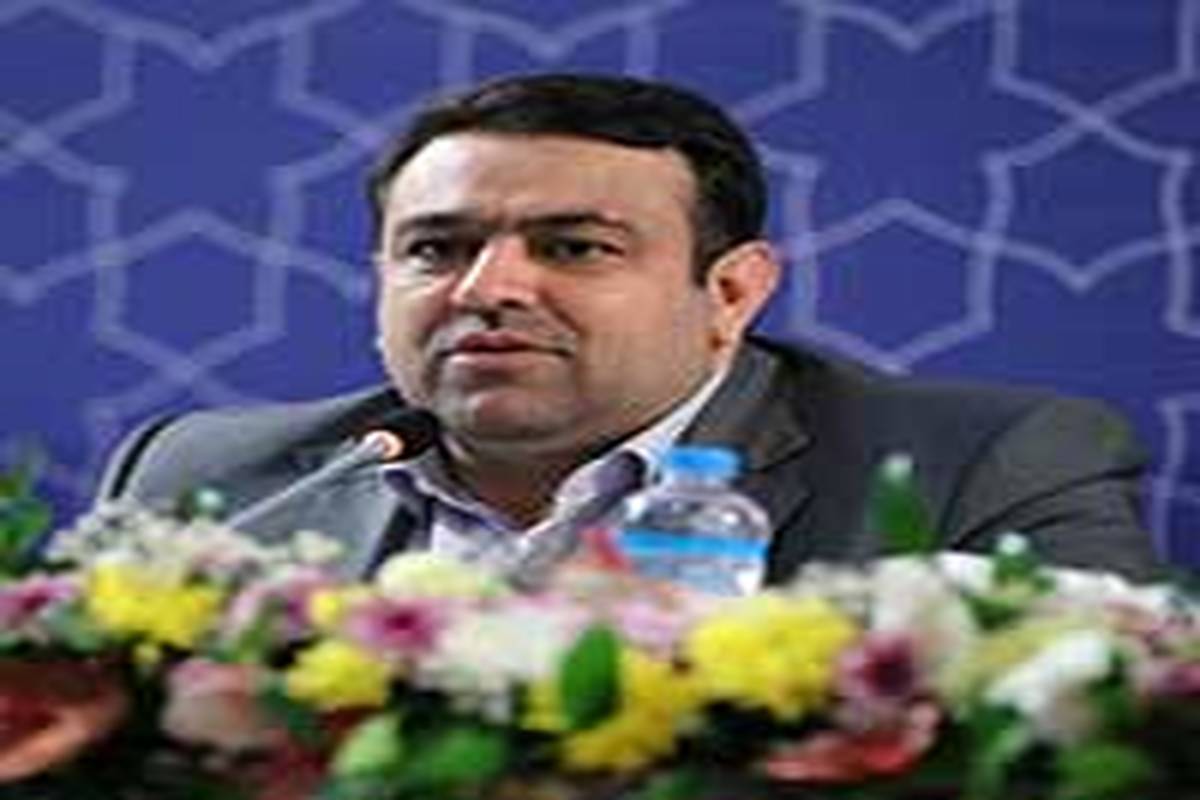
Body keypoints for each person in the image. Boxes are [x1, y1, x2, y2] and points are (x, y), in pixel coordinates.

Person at [96, 73, 1160, 582]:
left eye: (574, 247)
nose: (485, 289)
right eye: (435, 248)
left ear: (731, 293)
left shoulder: (982, 469)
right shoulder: (211, 478)